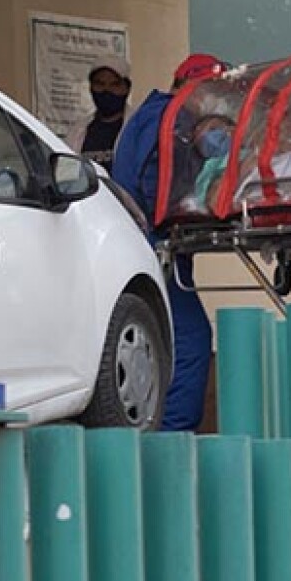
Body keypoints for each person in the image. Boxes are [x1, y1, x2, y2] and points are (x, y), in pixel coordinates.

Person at [112, 53, 227, 430]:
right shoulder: (169, 121)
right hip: (153, 247)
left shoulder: (154, 116)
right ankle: (174, 438)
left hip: (148, 246)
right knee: (191, 340)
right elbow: (157, 189)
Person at [65, 56, 133, 169]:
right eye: (100, 84)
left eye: (114, 84)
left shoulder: (140, 127)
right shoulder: (77, 131)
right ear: (91, 88)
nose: (107, 90)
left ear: (127, 88)